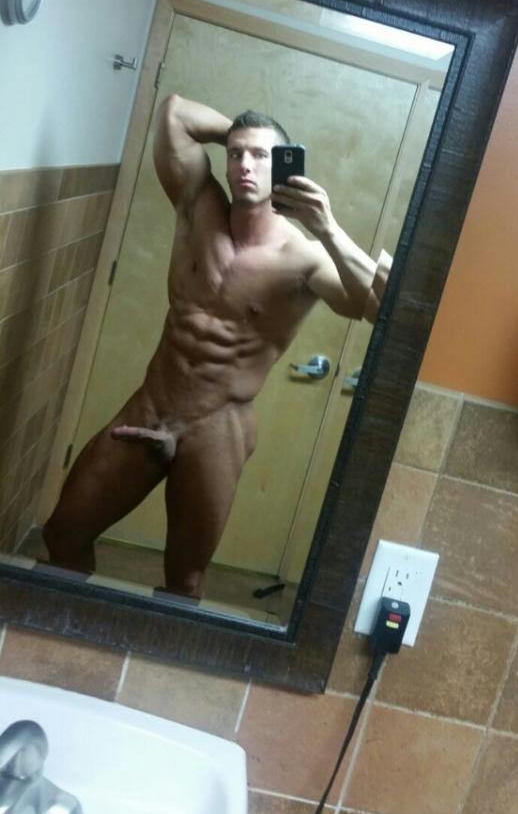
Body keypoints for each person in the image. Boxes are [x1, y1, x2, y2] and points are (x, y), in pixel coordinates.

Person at [43, 95, 391, 598]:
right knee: (63, 532)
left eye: (262, 157)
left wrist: (328, 228)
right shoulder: (197, 205)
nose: (245, 165)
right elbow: (175, 113)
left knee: (184, 579)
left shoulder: (305, 258)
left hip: (216, 427)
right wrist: (246, 135)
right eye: (236, 154)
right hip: (153, 405)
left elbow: (380, 308)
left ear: (285, 166)